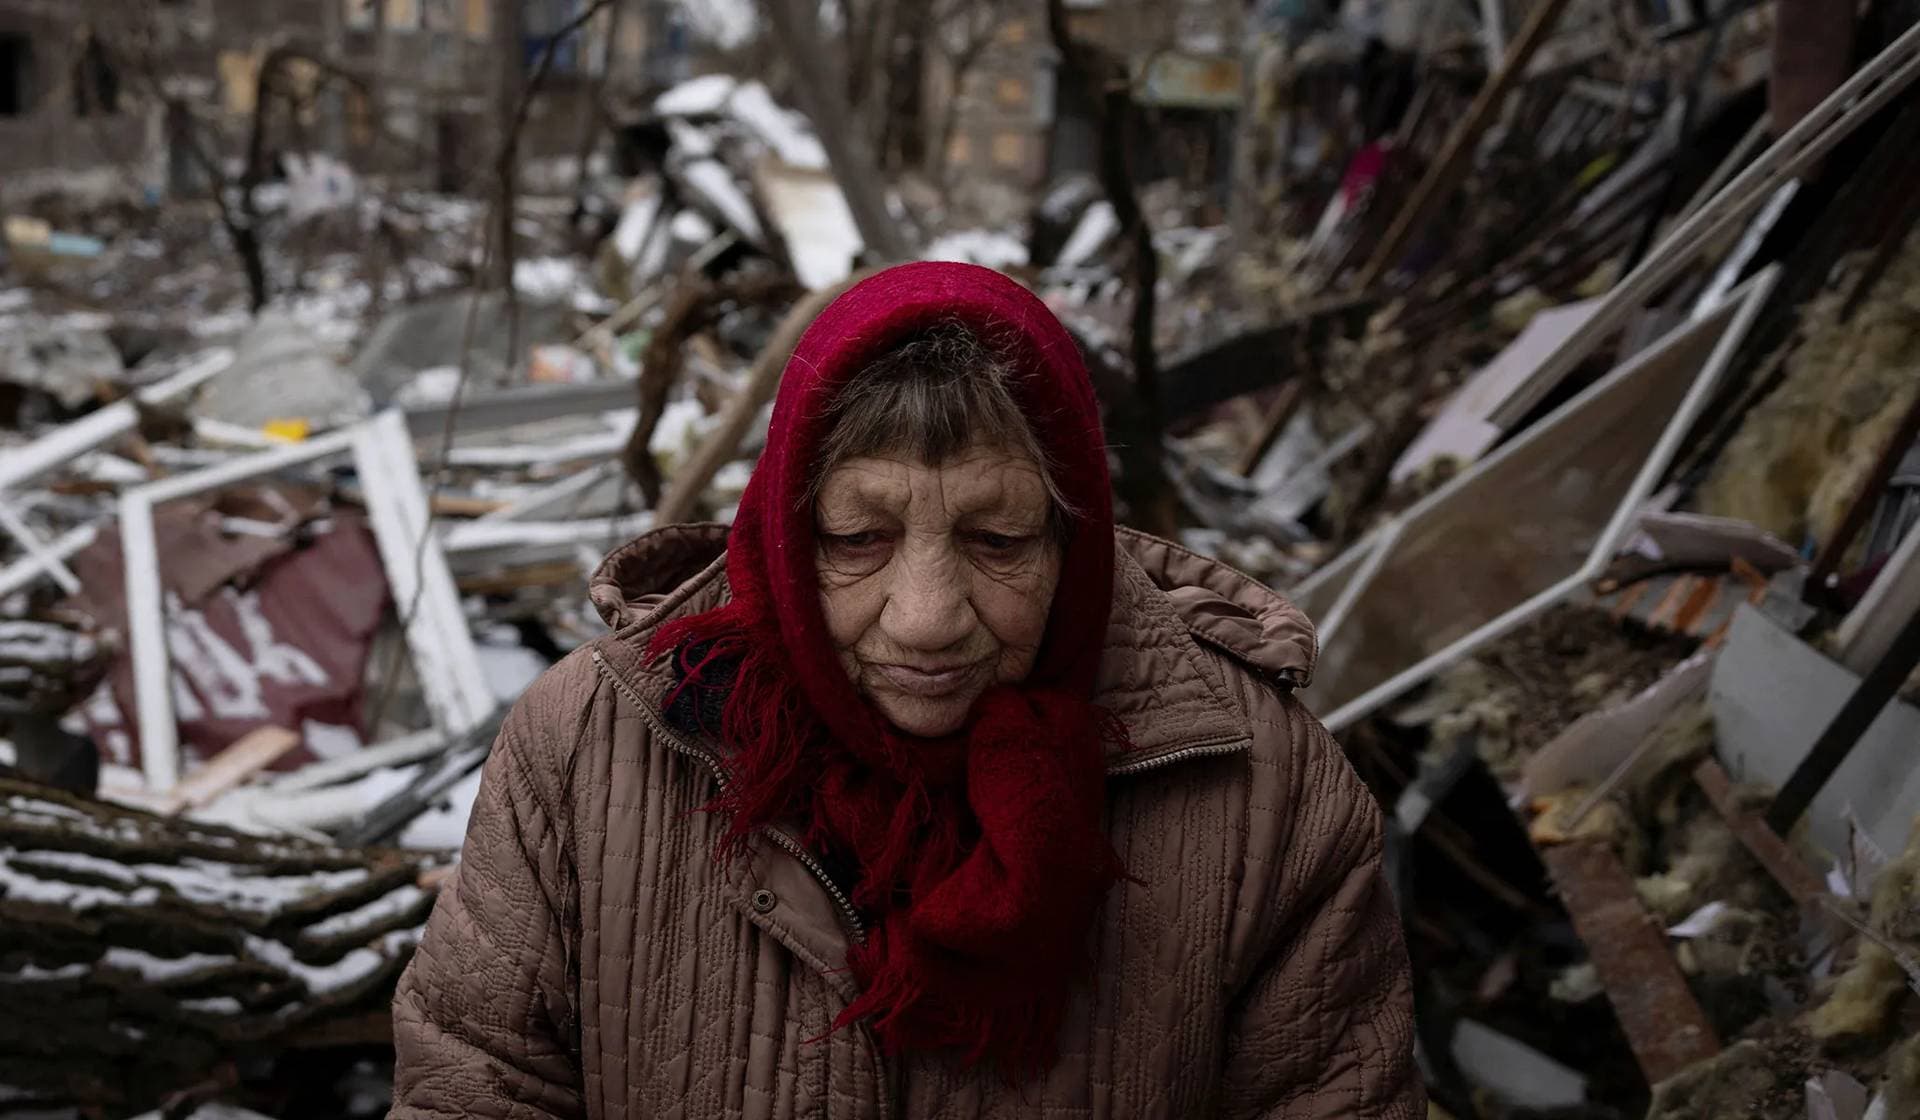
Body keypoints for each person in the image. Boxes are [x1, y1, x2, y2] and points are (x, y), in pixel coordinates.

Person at [391, 262, 1422, 1118]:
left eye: (998, 538)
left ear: (1074, 542)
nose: (926, 616)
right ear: (786, 542)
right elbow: (476, 1084)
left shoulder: (1261, 786)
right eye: (857, 538)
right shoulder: (593, 743)